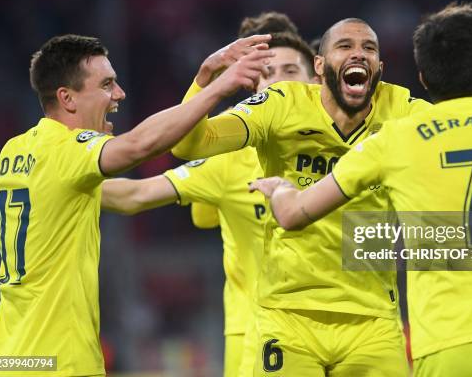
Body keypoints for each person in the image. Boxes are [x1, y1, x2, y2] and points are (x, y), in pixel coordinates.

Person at [250, 3, 472, 376]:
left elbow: (293, 215)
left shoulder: (394, 139)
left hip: (444, 346)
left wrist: (281, 188)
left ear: (424, 79)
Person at [0, 33, 272, 377]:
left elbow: (124, 195)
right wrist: (215, 88)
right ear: (66, 97)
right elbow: (142, 149)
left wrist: (202, 81)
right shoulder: (230, 163)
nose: (120, 94)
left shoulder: (15, 150)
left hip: (12, 356)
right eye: (108, 84)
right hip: (61, 360)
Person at [171, 17, 431, 376]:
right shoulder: (282, 104)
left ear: (380, 70)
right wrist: (206, 79)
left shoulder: (403, 110)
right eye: (345, 46)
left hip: (373, 318)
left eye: (369, 48)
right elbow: (190, 144)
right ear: (320, 66)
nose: (359, 53)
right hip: (289, 315)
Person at [102, 27, 316, 377]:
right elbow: (137, 194)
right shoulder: (229, 160)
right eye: (267, 75)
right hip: (257, 334)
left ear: (317, 83)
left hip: (344, 328)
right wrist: (56, 184)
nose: (279, 84)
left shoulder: (349, 152)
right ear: (255, 90)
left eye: (290, 72)